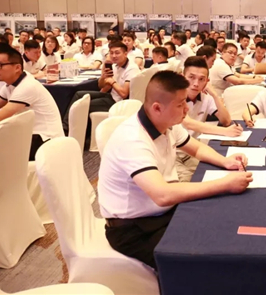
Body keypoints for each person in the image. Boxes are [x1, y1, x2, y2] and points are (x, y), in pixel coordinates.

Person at [98, 70, 252, 269]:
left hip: (161, 214)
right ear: (157, 108)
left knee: (218, 220)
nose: (186, 109)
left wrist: (225, 162)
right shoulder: (132, 139)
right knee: (204, 258)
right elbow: (162, 195)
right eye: (180, 105)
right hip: (134, 229)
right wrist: (225, 184)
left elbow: (196, 148)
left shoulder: (167, 123)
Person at [0, 43, 63, 171]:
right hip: (29, 135)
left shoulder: (27, 87)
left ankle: (0, 181)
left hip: (46, 141)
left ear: (17, 67)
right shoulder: (11, 84)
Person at [62, 41, 140, 133]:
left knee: (82, 105)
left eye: (117, 53)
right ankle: (65, 126)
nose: (114, 56)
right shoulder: (115, 66)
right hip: (111, 95)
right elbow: (101, 86)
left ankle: (73, 132)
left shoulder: (131, 68)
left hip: (118, 102)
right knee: (79, 94)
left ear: (125, 54)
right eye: (111, 53)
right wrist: (103, 77)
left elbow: (124, 94)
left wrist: (112, 82)